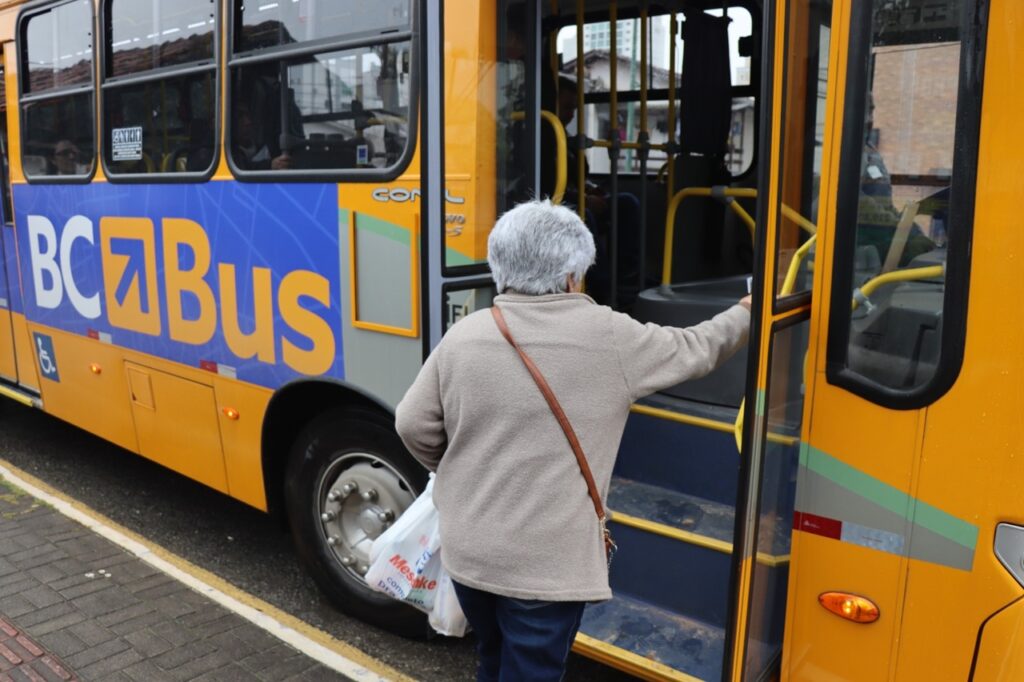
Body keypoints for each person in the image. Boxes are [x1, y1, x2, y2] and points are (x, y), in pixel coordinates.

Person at [395, 200, 750, 682]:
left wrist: (460, 468)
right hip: (545, 571)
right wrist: (748, 310)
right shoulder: (609, 335)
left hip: (469, 554)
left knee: (492, 657)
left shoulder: (465, 334)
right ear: (571, 277)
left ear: (501, 270)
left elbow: (412, 424)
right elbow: (699, 348)